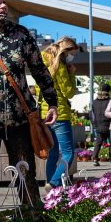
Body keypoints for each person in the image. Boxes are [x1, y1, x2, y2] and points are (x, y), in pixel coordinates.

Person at [0, 0, 58, 220]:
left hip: (20, 120)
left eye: (4, 3)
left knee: (25, 177)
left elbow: (40, 70)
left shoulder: (20, 35)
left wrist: (52, 102)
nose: (3, 7)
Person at [39, 37, 79, 186]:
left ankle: (50, 186)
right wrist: (72, 73)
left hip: (45, 113)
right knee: (68, 152)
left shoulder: (43, 60)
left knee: (53, 153)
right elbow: (68, 92)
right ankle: (54, 182)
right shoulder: (60, 65)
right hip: (60, 112)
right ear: (65, 50)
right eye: (72, 53)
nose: (72, 57)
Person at [91, 85, 111, 166]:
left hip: (98, 125)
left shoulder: (94, 102)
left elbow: (91, 114)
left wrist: (94, 125)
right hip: (109, 124)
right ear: (108, 91)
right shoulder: (110, 101)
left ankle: (95, 159)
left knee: (98, 142)